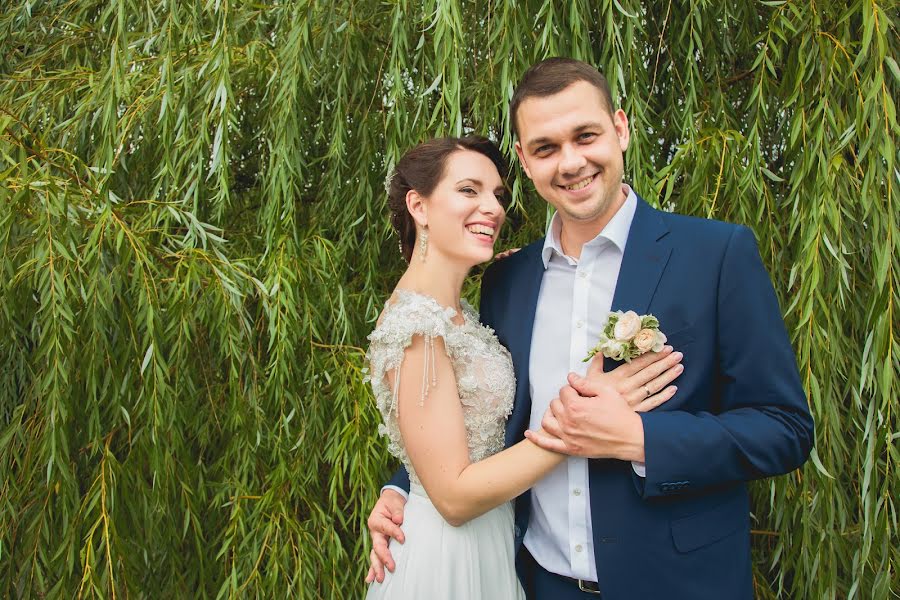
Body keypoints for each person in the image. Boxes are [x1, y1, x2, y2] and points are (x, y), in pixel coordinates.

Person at [366, 59, 815, 599]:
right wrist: (405, 485)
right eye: (546, 148)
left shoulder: (716, 255)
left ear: (620, 130)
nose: (571, 161)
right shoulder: (507, 279)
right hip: (536, 582)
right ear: (527, 165)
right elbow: (477, 412)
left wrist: (641, 440)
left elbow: (784, 428)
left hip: (678, 584)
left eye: (586, 135)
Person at [363, 135, 684, 599]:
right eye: (469, 190)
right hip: (447, 559)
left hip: (494, 544)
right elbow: (452, 496)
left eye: (497, 195)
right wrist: (581, 424)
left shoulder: (471, 309)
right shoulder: (416, 327)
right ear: (419, 205)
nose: (492, 207)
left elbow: (461, 433)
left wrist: (398, 489)